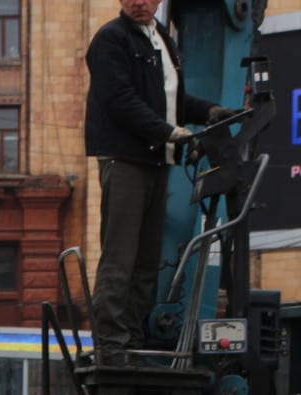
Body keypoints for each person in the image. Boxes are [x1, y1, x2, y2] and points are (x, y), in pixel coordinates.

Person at [85, 0, 235, 361]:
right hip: (125, 161)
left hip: (155, 163)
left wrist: (210, 111)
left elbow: (172, 100)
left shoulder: (161, 38)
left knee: (146, 261)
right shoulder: (110, 40)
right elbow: (121, 101)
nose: (140, 2)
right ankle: (111, 343)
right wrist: (171, 133)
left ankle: (132, 339)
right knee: (120, 258)